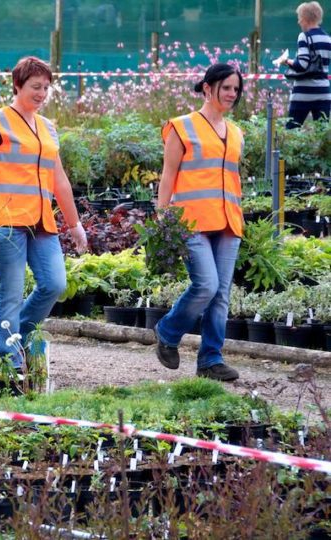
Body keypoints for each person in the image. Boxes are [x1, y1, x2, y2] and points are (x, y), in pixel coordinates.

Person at [0, 56, 87, 372]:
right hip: (5, 222)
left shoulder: (48, 129)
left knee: (55, 284)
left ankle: (21, 334)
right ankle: (11, 358)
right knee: (11, 292)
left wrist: (75, 224)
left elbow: (60, 180)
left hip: (42, 221)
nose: (41, 93)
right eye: (35, 86)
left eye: (46, 87)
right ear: (17, 86)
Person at [154, 63, 245, 382]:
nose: (232, 94)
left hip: (228, 220)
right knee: (206, 285)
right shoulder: (181, 127)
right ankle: (167, 331)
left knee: (221, 293)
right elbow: (168, 175)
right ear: (207, 89)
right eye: (226, 88)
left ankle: (210, 359)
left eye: (236, 88)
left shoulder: (235, 132)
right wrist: (163, 216)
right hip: (190, 220)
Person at [280, 2, 330, 129]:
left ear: (305, 19)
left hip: (304, 92)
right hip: (323, 92)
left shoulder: (304, 37)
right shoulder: (327, 38)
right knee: (322, 134)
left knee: (292, 130)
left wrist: (286, 61)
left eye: (299, 18)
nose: (298, 22)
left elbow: (302, 65)